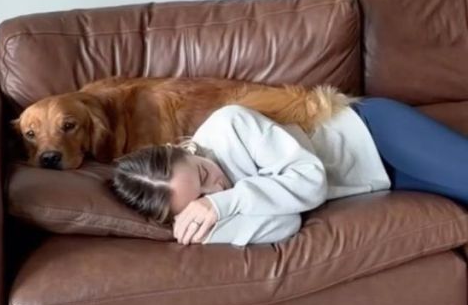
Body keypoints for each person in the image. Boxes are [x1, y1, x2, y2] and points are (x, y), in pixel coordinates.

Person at [112, 97, 466, 246]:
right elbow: (287, 223)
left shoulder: (229, 125)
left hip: (375, 132)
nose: (216, 187)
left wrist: (222, 205)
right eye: (200, 198)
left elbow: (311, 182)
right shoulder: (207, 214)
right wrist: (212, 229)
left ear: (183, 149)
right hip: (378, 179)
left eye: (204, 174)